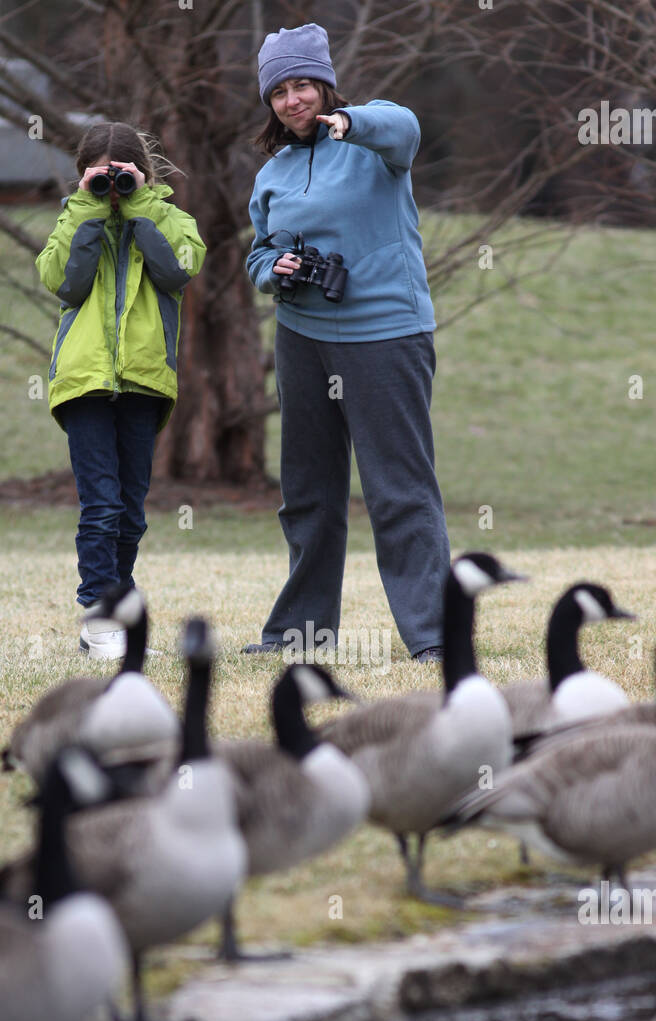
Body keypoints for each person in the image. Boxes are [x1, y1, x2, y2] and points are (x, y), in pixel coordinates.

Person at [245, 23, 451, 662]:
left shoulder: (373, 143)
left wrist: (349, 122)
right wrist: (272, 269)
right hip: (303, 339)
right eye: (279, 91)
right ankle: (300, 633)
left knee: (399, 490)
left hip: (385, 336)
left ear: (325, 86)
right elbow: (258, 253)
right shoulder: (272, 172)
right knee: (307, 492)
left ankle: (434, 637)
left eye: (303, 84)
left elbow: (406, 126)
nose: (292, 99)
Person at [36, 122, 206, 658]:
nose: (114, 189)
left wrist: (141, 208)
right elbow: (62, 280)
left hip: (145, 381)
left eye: (122, 178)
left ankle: (115, 615)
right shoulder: (74, 219)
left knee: (131, 511)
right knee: (101, 505)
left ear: (143, 173)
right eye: (102, 179)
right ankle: (100, 617)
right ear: (84, 176)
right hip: (84, 383)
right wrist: (86, 208)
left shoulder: (167, 217)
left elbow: (179, 269)